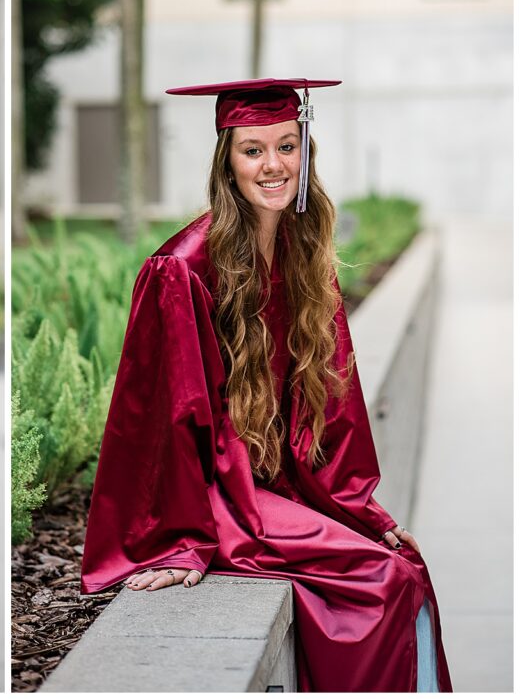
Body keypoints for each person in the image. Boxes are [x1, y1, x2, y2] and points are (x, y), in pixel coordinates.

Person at [80, 79, 451, 692]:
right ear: (227, 160)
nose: (273, 164)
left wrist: (360, 508)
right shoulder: (184, 268)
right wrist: (178, 541)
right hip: (215, 496)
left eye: (286, 145)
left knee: (405, 561)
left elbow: (331, 404)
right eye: (253, 150)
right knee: (386, 582)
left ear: (305, 153)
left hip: (275, 482)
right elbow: (166, 420)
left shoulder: (300, 252)